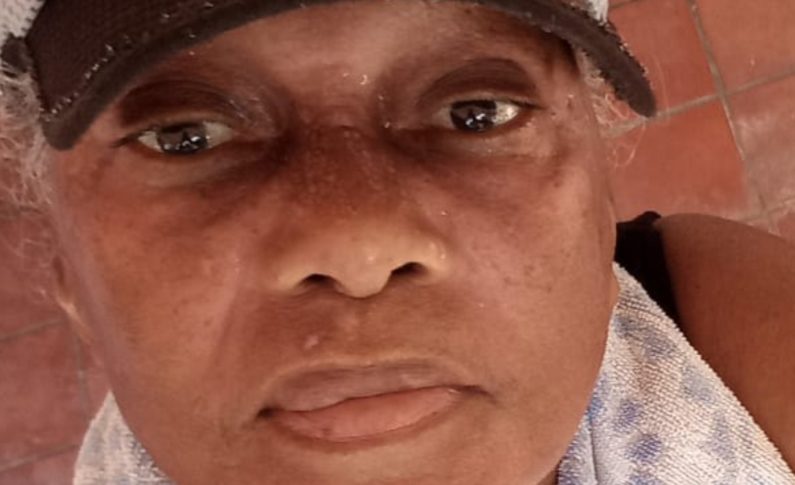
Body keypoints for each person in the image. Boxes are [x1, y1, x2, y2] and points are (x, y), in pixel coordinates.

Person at [0, 0, 793, 483]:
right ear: (72, 279)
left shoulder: (723, 326)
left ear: (597, 210)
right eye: (185, 138)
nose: (357, 250)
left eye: (475, 113)